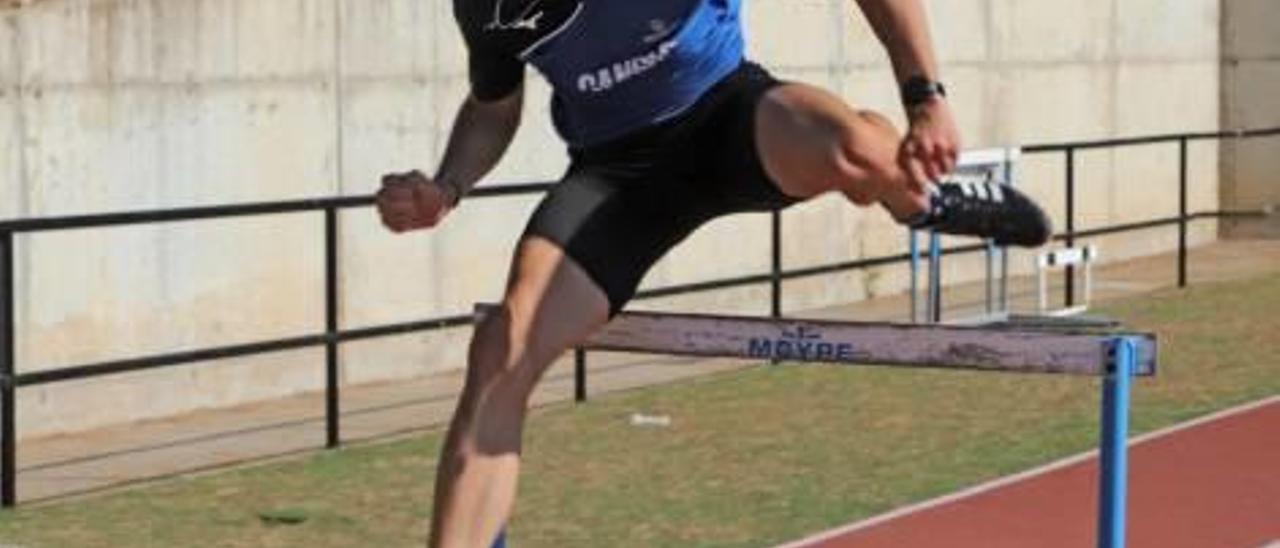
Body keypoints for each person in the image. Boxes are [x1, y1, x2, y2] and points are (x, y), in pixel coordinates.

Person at [376, 0, 1051, 545]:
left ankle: (926, 198)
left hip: (729, 118)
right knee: (500, 354)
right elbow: (494, 108)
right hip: (618, 178)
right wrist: (448, 185)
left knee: (861, 148)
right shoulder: (485, 8)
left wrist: (924, 96)